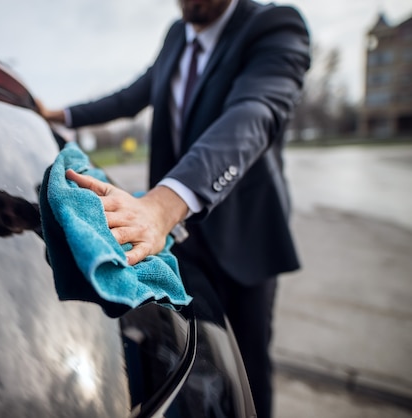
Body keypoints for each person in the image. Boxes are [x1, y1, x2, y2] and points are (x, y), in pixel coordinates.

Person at [37, 0, 311, 416]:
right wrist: (57, 114)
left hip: (243, 236)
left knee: (248, 371)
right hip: (179, 237)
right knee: (189, 356)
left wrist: (163, 206)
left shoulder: (274, 24)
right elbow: (130, 97)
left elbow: (254, 113)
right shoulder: (174, 36)